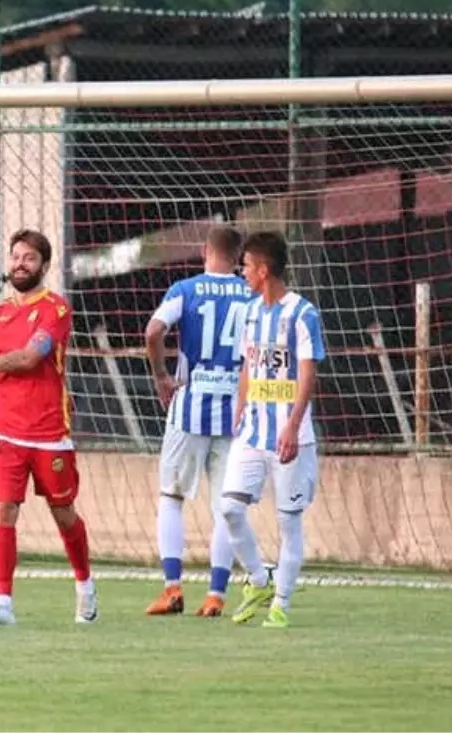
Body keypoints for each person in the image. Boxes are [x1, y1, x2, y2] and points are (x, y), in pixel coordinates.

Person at [0, 229, 97, 626]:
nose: (20, 264)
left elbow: (30, 358)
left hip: (49, 434)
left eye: (29, 258)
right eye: (15, 256)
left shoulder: (56, 310)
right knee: (3, 513)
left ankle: (85, 585)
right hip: (6, 434)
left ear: (44, 266)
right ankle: (3, 604)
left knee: (63, 514)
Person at [143, 225, 252, 617]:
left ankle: (172, 589)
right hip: (236, 412)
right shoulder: (252, 293)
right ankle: (216, 595)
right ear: (240, 257)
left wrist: (160, 376)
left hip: (190, 407)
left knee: (172, 497)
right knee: (227, 506)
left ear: (205, 250)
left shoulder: (185, 289)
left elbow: (154, 330)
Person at [222, 231, 326, 629]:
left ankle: (280, 603)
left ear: (263, 270)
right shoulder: (250, 313)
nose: (242, 271)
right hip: (251, 432)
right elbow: (249, 363)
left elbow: (307, 373)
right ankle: (259, 579)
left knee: (289, 524)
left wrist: (293, 426)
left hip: (289, 435)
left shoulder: (302, 314)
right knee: (230, 509)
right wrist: (240, 404)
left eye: (246, 265)